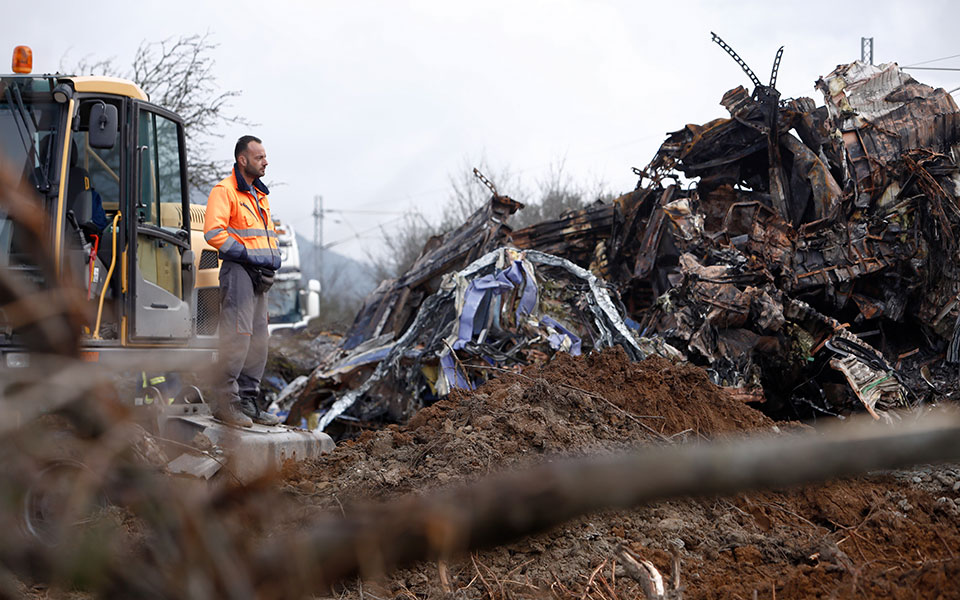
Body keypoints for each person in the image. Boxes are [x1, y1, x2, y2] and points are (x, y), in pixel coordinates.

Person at [203, 135, 282, 426]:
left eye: (265, 156)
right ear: (243, 159)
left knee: (259, 339)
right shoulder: (225, 191)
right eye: (259, 157)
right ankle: (225, 403)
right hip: (238, 270)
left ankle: (248, 401)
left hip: (260, 275)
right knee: (237, 335)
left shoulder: (260, 196)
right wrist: (248, 255)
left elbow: (266, 237)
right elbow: (214, 233)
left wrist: (272, 260)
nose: (265, 162)